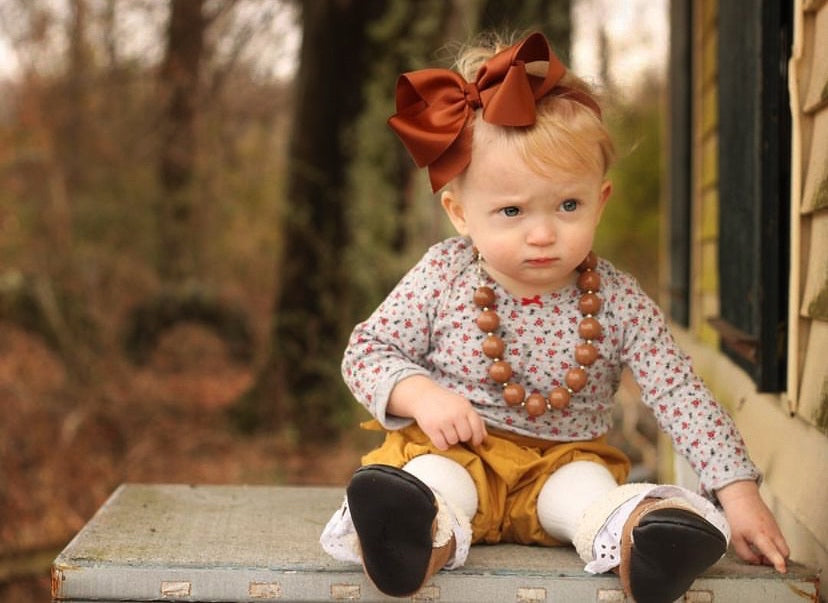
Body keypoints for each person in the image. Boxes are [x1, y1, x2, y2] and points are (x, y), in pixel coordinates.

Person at [320, 32, 789, 602]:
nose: (542, 234)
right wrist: (420, 395)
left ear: (602, 199)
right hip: (458, 455)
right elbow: (367, 351)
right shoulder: (444, 275)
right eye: (511, 211)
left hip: (562, 464)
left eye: (569, 205)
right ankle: (410, 538)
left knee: (591, 494)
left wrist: (737, 495)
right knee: (434, 484)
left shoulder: (616, 299)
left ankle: (644, 545)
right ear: (460, 213)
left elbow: (679, 393)